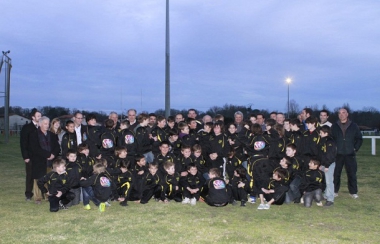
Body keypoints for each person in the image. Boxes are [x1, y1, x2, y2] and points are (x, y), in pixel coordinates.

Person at [331, 108, 362, 199]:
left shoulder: (354, 126)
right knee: (336, 173)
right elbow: (331, 139)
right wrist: (334, 148)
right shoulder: (334, 126)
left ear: (347, 114)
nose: (341, 114)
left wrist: (355, 148)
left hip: (350, 154)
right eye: (339, 113)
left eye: (343, 113)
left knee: (352, 173)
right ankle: (335, 191)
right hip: (338, 154)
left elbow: (359, 138)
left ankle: (353, 192)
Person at [29, 116, 60, 204]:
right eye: (45, 124)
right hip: (39, 161)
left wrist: (53, 154)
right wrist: (47, 155)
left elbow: (57, 147)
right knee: (38, 179)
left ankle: (48, 195)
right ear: (40, 124)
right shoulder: (34, 134)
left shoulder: (52, 135)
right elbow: (35, 148)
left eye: (48, 124)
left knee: (49, 179)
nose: (47, 125)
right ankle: (38, 197)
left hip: (50, 161)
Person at [20, 108, 41, 201]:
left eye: (41, 116)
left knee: (40, 175)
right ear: (33, 117)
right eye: (38, 116)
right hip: (30, 157)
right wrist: (26, 156)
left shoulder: (42, 127)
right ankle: (28, 194)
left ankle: (41, 193)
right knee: (30, 175)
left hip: (40, 156)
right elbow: (23, 143)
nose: (40, 117)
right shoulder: (27, 128)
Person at [318, 125, 337, 207]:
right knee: (326, 180)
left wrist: (327, 165)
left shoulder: (329, 142)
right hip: (324, 163)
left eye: (321, 132)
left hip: (328, 164)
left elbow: (330, 155)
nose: (320, 134)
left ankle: (330, 199)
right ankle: (326, 195)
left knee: (329, 182)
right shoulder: (323, 141)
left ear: (326, 133)